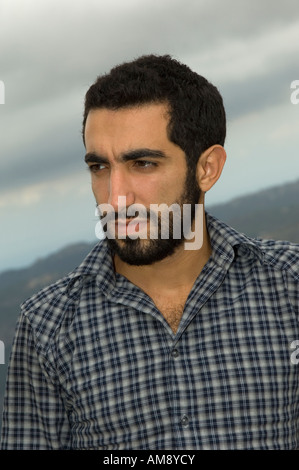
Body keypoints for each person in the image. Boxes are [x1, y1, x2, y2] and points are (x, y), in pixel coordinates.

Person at [1, 54, 299, 450]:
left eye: (142, 163)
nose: (115, 197)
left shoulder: (290, 286)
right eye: (99, 167)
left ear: (207, 168)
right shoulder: (46, 327)